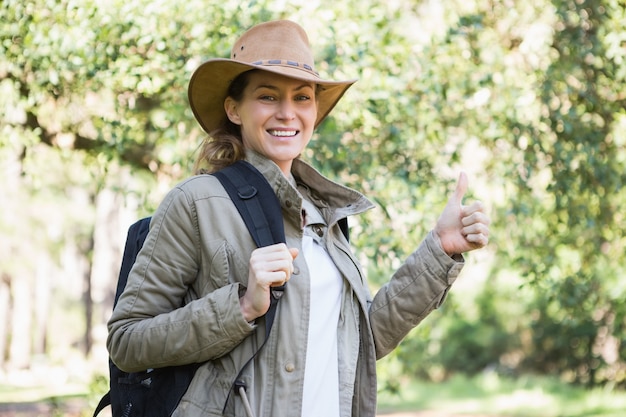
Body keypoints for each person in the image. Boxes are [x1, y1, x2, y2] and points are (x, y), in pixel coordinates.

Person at [107, 20, 490, 417]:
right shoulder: (196, 202)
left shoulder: (325, 213)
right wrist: (241, 307)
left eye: (303, 97)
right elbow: (126, 341)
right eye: (268, 97)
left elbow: (357, 344)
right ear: (234, 109)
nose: (287, 113)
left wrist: (440, 249)